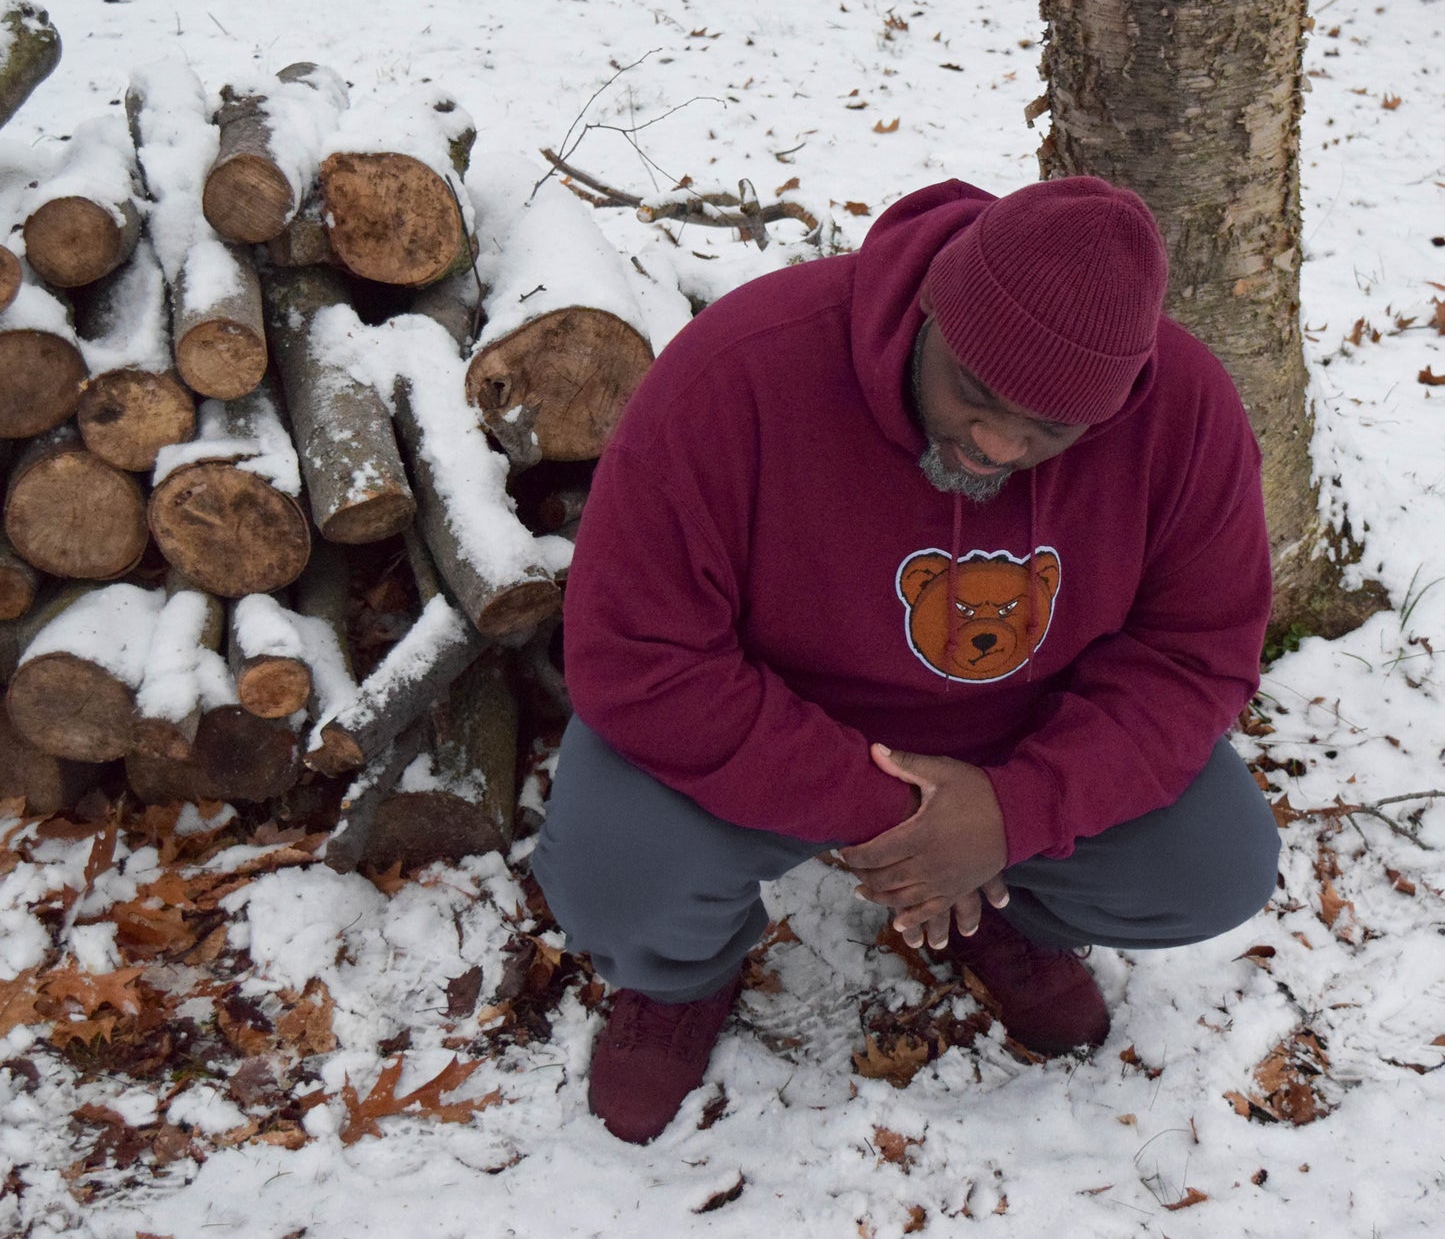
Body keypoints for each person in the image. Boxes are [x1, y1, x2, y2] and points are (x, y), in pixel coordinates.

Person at [532, 176, 1281, 1145]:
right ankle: (681, 977)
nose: (998, 442)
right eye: (974, 394)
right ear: (933, 308)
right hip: (765, 722)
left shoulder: (1181, 414)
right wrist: (909, 824)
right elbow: (638, 655)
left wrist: (1010, 813)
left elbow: (1193, 653)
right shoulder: (742, 370)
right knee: (618, 869)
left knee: (1212, 862)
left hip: (1016, 733)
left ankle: (1009, 913)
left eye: (1051, 429)